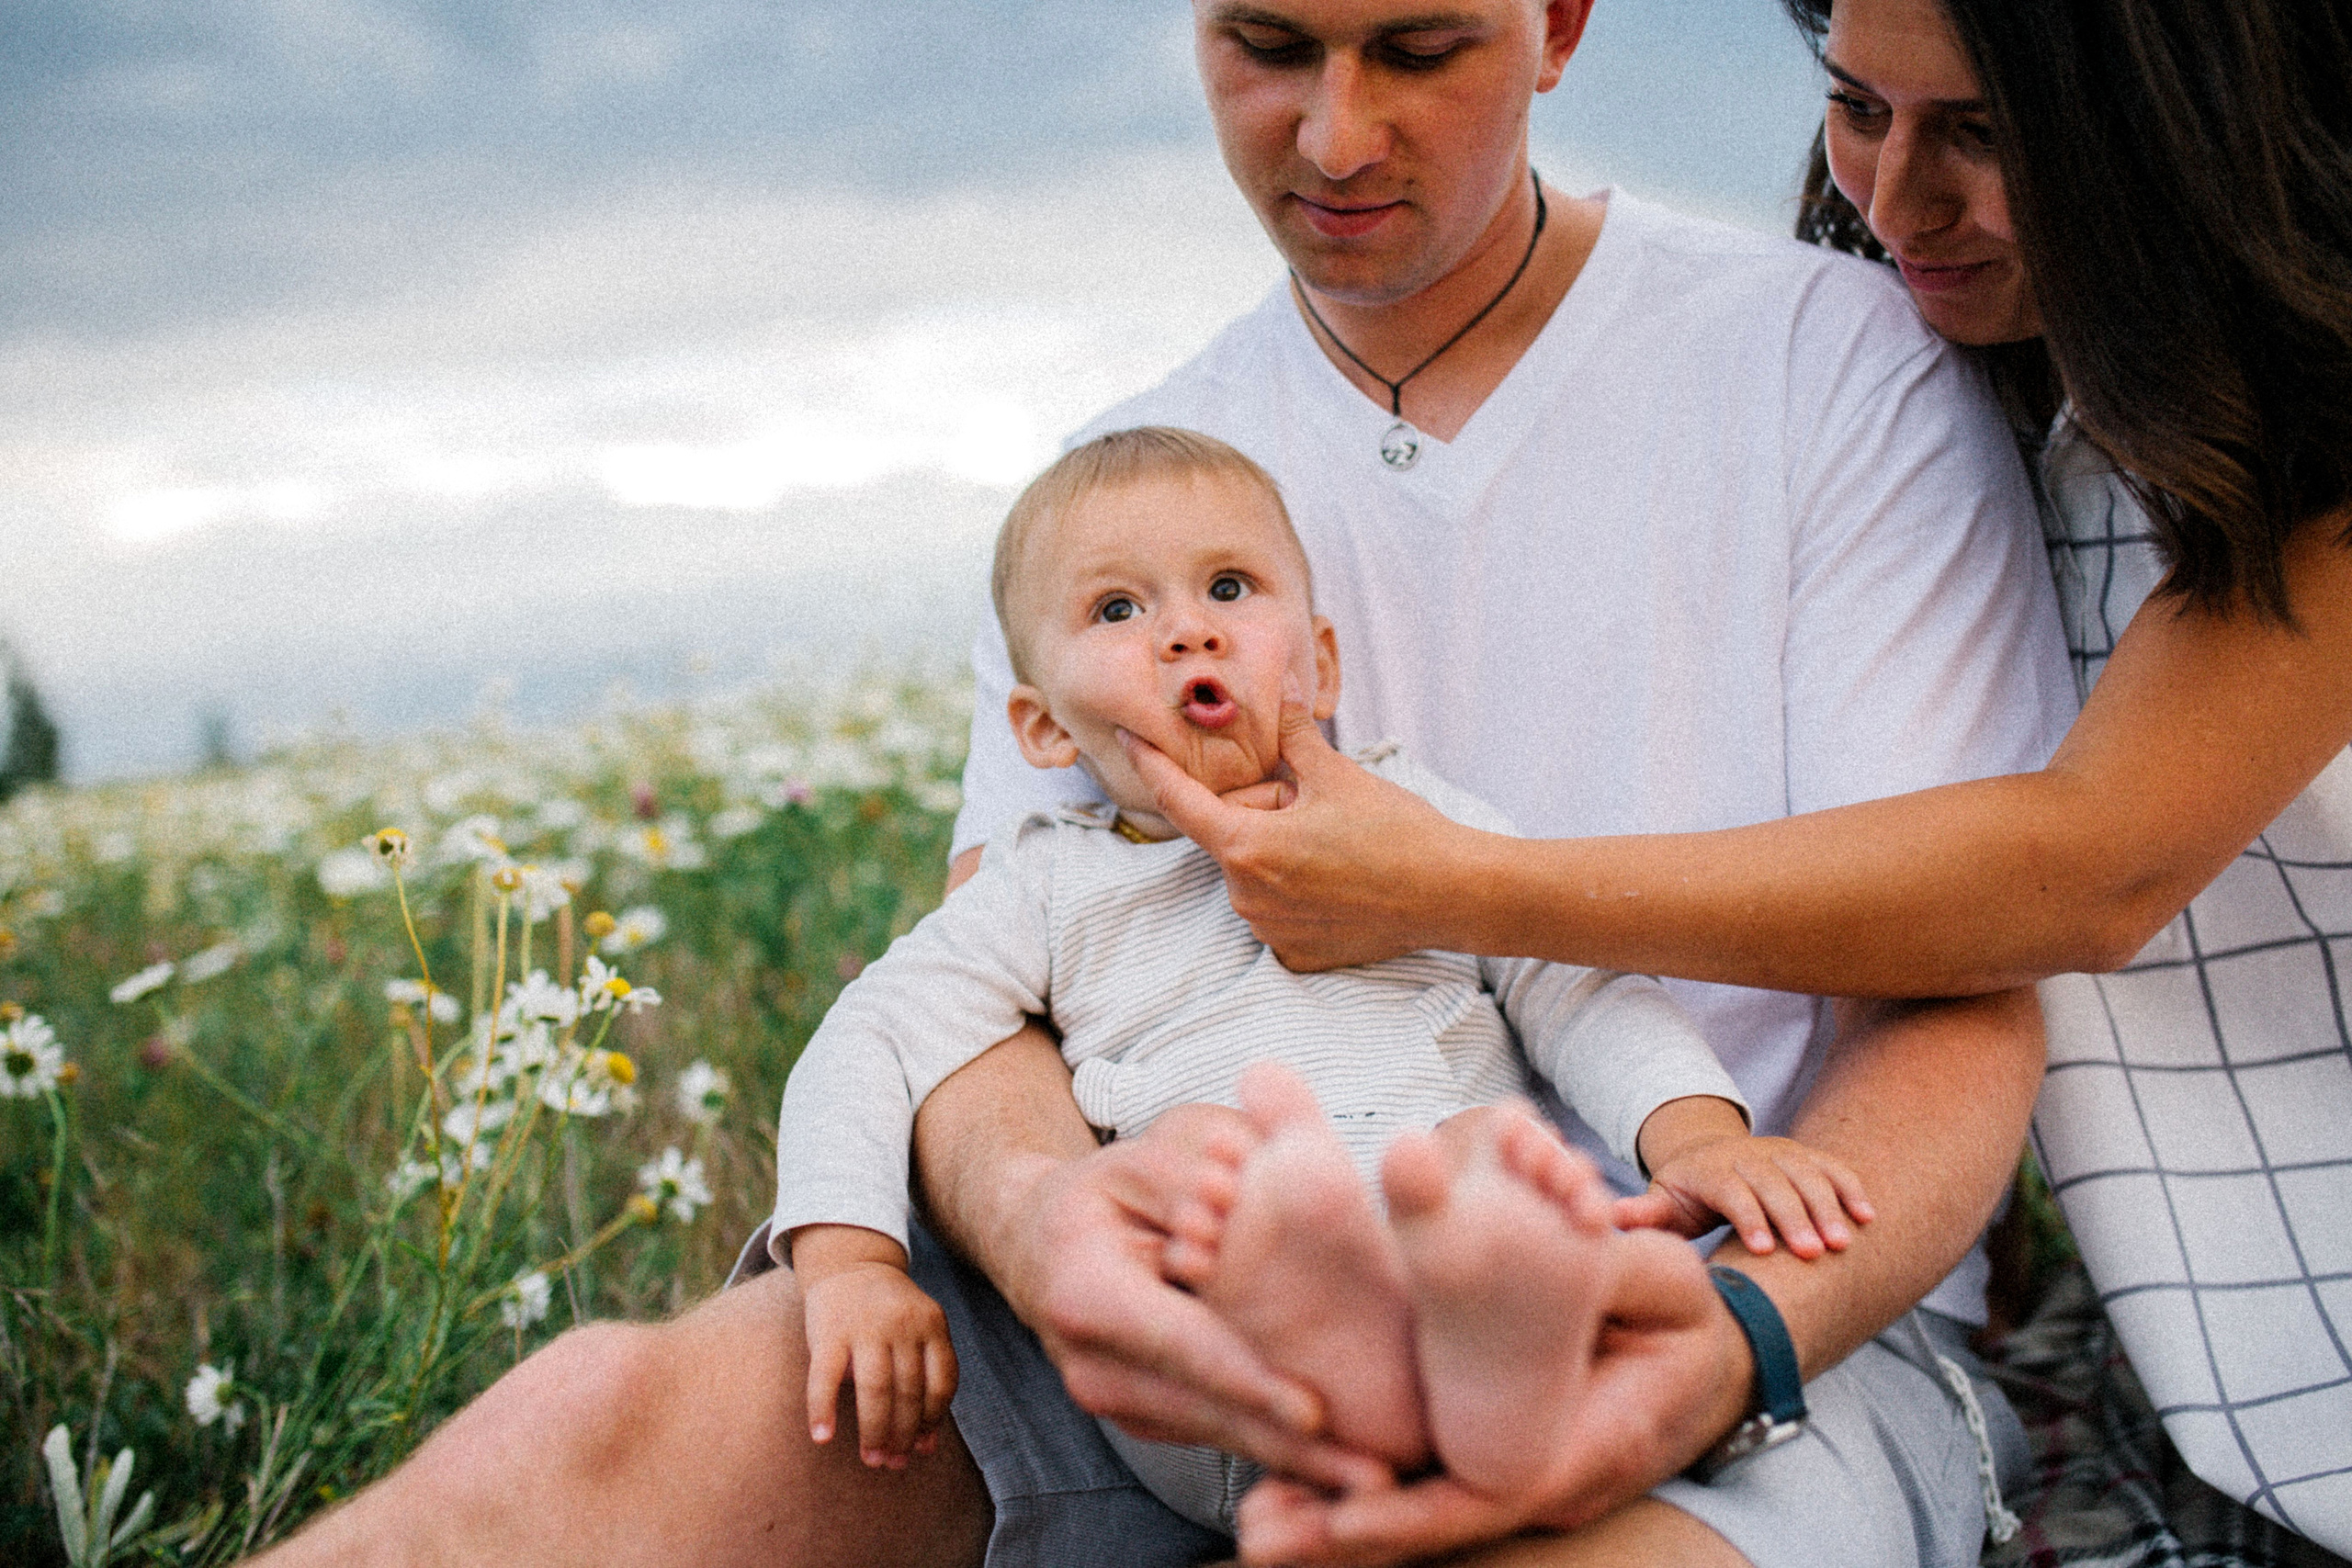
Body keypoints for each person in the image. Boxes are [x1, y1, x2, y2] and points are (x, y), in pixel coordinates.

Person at [249, 3, 2073, 1564]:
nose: (1332, 132)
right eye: (1261, 46)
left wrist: (1736, 1309)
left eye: (1417, 48)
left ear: (1558, 22)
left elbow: (1967, 982)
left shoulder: (1838, 370)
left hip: (1759, 1307)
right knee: (574, 1446)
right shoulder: (1110, 514)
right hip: (1169, 1318)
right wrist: (1052, 1234)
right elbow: (980, 1003)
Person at [1123, 0, 2352, 1558]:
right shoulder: (2016, 376)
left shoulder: (2308, 415)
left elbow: (2081, 871)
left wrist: (1445, 880)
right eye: (1858, 108)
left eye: (1984, 134)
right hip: (2207, 1364)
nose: (1896, 201)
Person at [771, 424, 1870, 1531]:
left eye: (1229, 587)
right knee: (1208, 1161)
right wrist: (851, 1261)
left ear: (1318, 664)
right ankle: (1360, 1325)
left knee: (1484, 1166)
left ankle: (1486, 1377)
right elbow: (873, 1037)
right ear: (1043, 728)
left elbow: (1570, 983)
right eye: (1117, 610)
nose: (1185, 630)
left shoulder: (1417, 825)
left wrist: (1696, 1140)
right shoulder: (1047, 886)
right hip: (1219, 1380)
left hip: (1449, 1284)